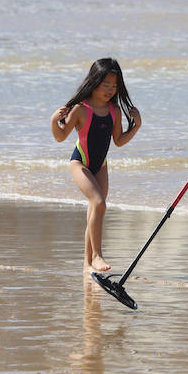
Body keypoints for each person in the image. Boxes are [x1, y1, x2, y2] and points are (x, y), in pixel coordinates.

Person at [51, 58, 141, 275]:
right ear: (94, 82)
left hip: (101, 166)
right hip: (79, 163)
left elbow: (118, 140)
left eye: (114, 86)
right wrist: (54, 120)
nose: (110, 90)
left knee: (95, 210)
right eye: (105, 85)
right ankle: (97, 255)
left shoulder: (114, 111)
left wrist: (136, 126)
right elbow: (61, 137)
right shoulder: (81, 110)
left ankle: (87, 264)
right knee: (98, 203)